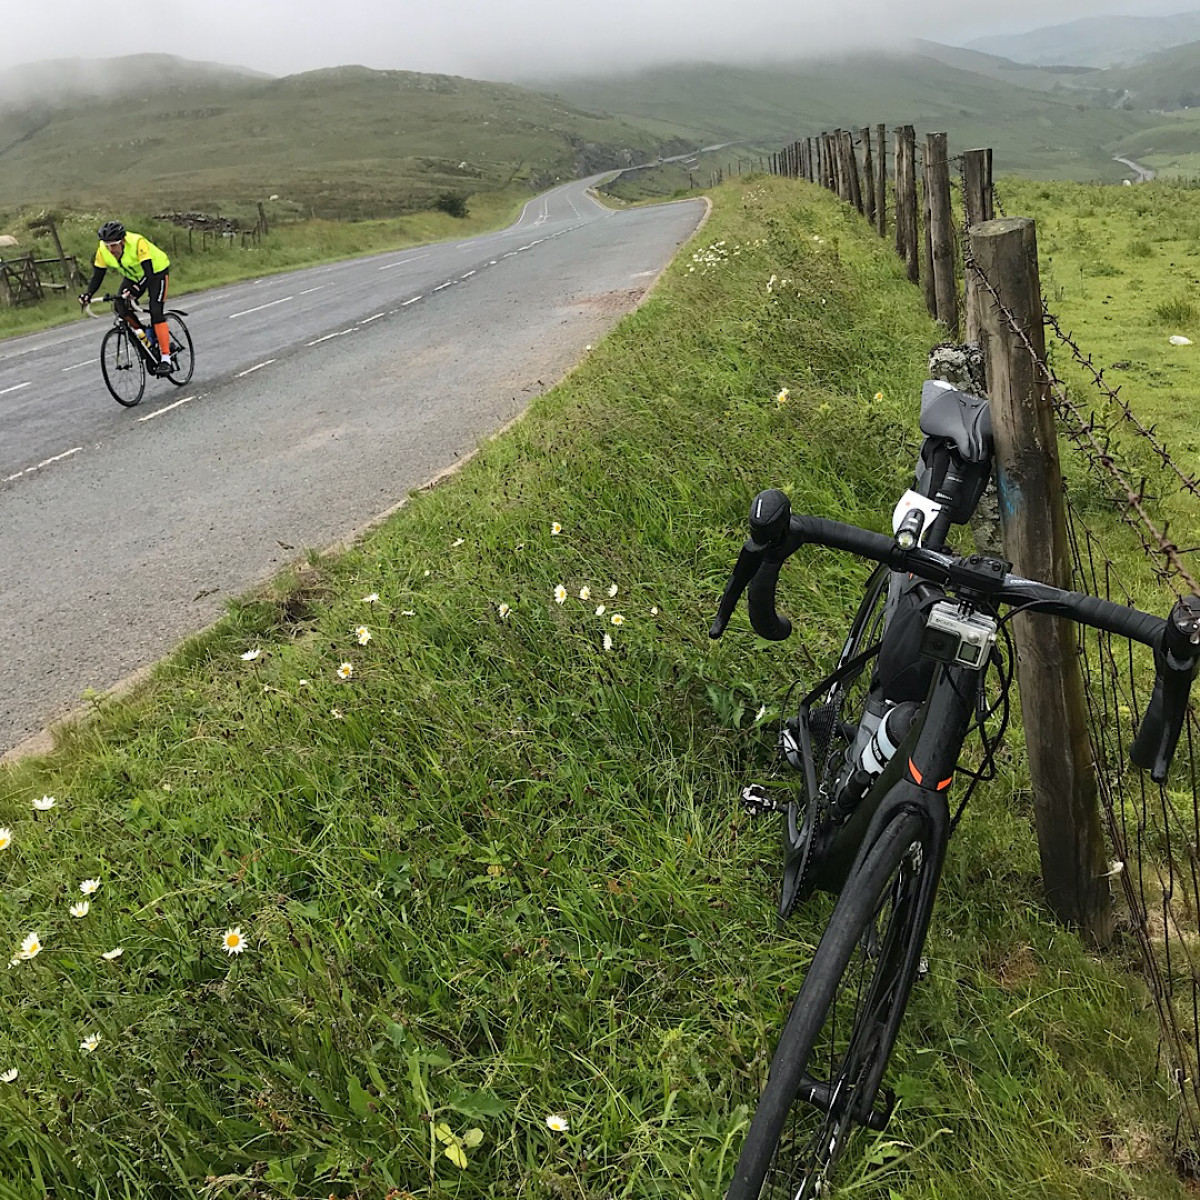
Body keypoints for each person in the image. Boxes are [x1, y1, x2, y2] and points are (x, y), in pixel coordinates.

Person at [79, 221, 173, 375]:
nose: (111, 250)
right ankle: (145, 338)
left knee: (156, 311)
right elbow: (98, 275)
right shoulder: (102, 250)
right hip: (133, 276)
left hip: (156, 272)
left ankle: (165, 358)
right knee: (119, 306)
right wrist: (88, 294)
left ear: (122, 241)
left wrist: (136, 289)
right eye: (107, 245)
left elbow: (148, 274)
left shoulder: (137, 243)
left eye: (114, 245)